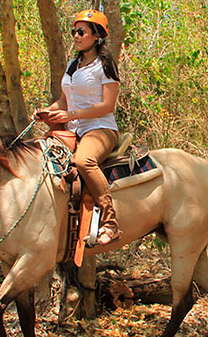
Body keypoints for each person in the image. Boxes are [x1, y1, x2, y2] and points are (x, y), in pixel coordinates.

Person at [33, 9, 122, 245]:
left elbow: (108, 105)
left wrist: (72, 114)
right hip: (72, 130)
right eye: (74, 31)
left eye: (81, 32)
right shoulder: (74, 64)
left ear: (96, 36)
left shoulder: (104, 65)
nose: (76, 35)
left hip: (100, 128)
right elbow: (63, 100)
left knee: (84, 161)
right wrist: (47, 112)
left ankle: (111, 222)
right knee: (37, 154)